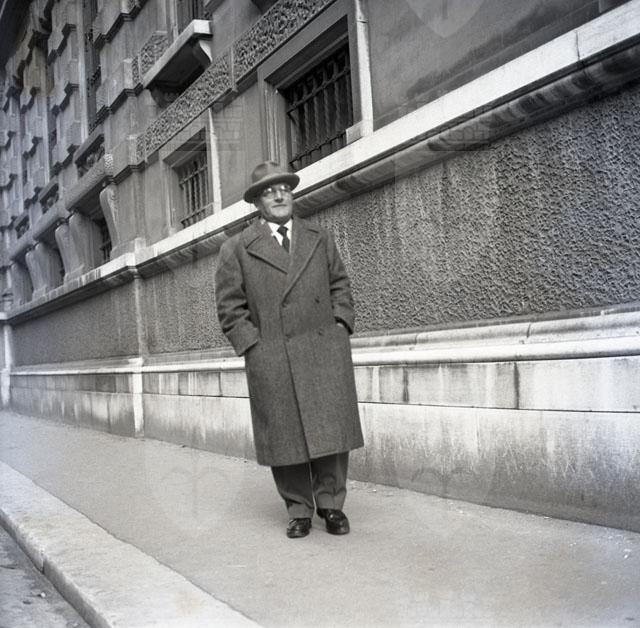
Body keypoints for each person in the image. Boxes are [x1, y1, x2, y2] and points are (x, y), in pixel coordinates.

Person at [215, 161, 364, 538]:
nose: (279, 196)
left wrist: (340, 324)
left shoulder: (319, 237)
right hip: (273, 353)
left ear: (292, 194)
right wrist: (255, 348)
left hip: (323, 348)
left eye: (284, 188)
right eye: (269, 192)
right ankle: (298, 509)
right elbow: (230, 308)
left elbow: (340, 285)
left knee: (330, 429)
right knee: (285, 434)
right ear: (257, 202)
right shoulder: (237, 249)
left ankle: (331, 505)